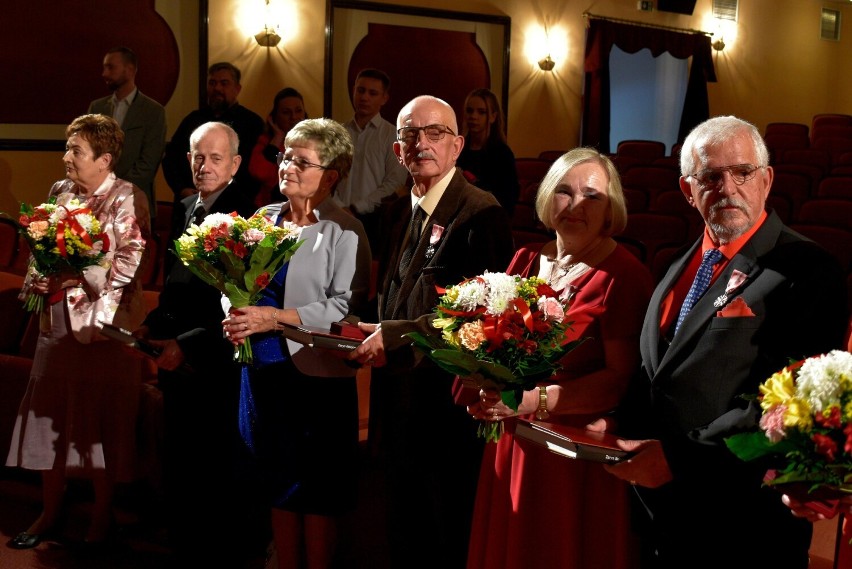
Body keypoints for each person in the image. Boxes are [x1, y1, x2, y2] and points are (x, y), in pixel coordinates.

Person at [599, 115, 848, 569]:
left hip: (743, 521)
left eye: (742, 172)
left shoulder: (808, 270)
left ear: (767, 180)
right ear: (687, 191)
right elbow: (659, 372)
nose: (728, 187)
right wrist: (612, 424)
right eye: (710, 176)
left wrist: (681, 459)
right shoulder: (677, 262)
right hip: (661, 515)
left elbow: (787, 404)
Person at [464, 148, 653, 569]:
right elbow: (492, 339)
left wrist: (537, 400)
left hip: (570, 452)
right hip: (513, 435)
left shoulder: (624, 276)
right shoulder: (527, 258)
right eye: (564, 192)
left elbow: (620, 380)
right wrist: (484, 378)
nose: (576, 205)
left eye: (592, 196)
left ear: (611, 210)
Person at [350, 95, 514, 569]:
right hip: (396, 399)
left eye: (435, 132)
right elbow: (394, 296)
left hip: (445, 408)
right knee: (401, 527)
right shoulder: (399, 210)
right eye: (409, 135)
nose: (422, 143)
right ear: (397, 152)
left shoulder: (482, 214)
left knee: (444, 534)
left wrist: (396, 336)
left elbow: (481, 317)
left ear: (458, 145)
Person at [222, 117, 371, 569]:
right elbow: (232, 282)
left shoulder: (345, 231)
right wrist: (233, 311)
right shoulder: (262, 219)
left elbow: (343, 309)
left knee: (315, 490)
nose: (286, 165)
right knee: (274, 481)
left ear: (331, 175)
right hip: (260, 374)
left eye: (300, 160)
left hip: (314, 380)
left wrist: (274, 318)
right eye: (284, 155)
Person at [6, 114, 150, 549]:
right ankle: (51, 510)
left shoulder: (128, 197)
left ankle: (101, 516)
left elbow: (128, 263)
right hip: (56, 324)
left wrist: (74, 274)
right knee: (51, 417)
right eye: (67, 147)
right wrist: (39, 278)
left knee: (98, 425)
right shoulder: (60, 192)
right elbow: (40, 244)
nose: (65, 157)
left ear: (104, 159)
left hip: (105, 328)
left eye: (76, 151)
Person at [135, 121, 258, 566]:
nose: (204, 166)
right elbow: (176, 287)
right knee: (180, 462)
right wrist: (152, 323)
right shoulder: (186, 206)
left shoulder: (245, 217)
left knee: (211, 467)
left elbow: (235, 302)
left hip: (213, 362)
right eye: (197, 156)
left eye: (215, 158)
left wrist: (186, 343)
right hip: (175, 358)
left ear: (236, 164)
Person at [161, 62, 264, 202]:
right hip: (191, 201)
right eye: (212, 83)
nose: (217, 88)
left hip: (235, 204)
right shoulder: (193, 119)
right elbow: (171, 159)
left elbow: (256, 170)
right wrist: (181, 189)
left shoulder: (252, 122)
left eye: (224, 83)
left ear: (237, 89)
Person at [332, 68, 408, 254]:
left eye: (372, 93)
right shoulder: (338, 133)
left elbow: (394, 183)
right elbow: (326, 175)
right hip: (335, 215)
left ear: (384, 98)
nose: (364, 97)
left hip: (374, 219)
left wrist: (357, 208)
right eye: (360, 90)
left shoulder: (393, 135)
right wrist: (338, 206)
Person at [88, 46, 166, 216]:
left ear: (130, 70)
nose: (104, 73)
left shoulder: (153, 111)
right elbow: (88, 152)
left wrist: (114, 189)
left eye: (111, 67)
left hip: (135, 203)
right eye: (104, 67)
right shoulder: (97, 107)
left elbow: (148, 163)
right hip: (97, 203)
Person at [456, 88, 520, 215]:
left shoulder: (502, 154)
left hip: (488, 219)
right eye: (469, 111)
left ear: (492, 117)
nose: (473, 116)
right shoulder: (458, 150)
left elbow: (507, 200)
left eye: (481, 112)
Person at [248, 87, 308, 208]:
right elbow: (260, 173)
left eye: (298, 111)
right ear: (274, 117)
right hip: (269, 208)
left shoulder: (314, 143)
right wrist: (278, 137)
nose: (294, 117)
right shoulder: (266, 142)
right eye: (286, 112)